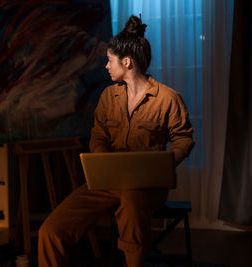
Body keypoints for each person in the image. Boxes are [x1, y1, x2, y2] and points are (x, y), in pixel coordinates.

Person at [38, 15, 195, 267]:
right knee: (51, 230)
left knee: (131, 207)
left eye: (109, 61)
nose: (106, 67)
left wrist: (162, 167)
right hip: (108, 181)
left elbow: (183, 139)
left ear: (127, 62)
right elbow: (99, 135)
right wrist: (102, 164)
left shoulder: (168, 98)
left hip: (147, 186)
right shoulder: (108, 97)